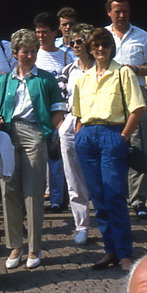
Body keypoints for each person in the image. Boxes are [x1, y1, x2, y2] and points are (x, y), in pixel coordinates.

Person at [72, 27, 145, 272]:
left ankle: (125, 253)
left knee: (114, 196)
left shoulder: (122, 73)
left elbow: (137, 108)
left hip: (112, 134)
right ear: (90, 50)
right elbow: (78, 114)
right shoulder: (83, 78)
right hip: (88, 137)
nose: (100, 49)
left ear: (111, 47)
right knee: (99, 198)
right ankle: (109, 250)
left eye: (104, 45)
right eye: (96, 46)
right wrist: (79, 135)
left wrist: (124, 136)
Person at [0, 29, 65, 270]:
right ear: (15, 53)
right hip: (8, 134)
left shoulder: (45, 79)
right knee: (9, 190)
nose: (30, 56)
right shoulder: (4, 80)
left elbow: (59, 109)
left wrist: (48, 132)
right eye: (25, 51)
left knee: (33, 192)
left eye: (33, 51)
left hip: (34, 132)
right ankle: (15, 245)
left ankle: (34, 248)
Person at [105, 0, 147, 219]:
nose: (121, 15)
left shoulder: (142, 36)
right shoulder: (102, 36)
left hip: (135, 98)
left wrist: (135, 69)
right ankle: (115, 197)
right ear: (108, 12)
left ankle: (138, 200)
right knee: (111, 148)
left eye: (125, 11)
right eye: (117, 11)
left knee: (137, 149)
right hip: (108, 98)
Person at [57, 24, 94, 245]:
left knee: (98, 175)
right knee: (73, 176)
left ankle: (108, 220)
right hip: (71, 123)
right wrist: (62, 124)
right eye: (72, 42)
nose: (75, 46)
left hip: (95, 122)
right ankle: (81, 225)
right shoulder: (68, 71)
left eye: (79, 41)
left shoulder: (103, 69)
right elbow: (60, 101)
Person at [34, 12, 68, 212]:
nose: (41, 36)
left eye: (45, 32)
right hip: (37, 112)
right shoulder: (33, 54)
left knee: (56, 158)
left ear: (54, 32)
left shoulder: (65, 56)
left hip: (58, 112)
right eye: (38, 32)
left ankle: (57, 199)